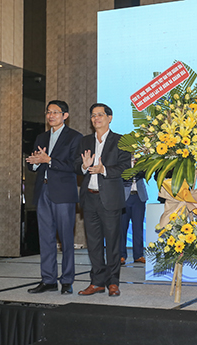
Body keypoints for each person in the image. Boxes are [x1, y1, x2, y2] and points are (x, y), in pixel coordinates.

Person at [25, 100, 82, 294]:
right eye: (48, 112)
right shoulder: (41, 137)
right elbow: (34, 164)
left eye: (55, 112)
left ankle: (67, 281)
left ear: (65, 115)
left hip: (63, 194)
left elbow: (75, 166)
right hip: (43, 192)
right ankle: (48, 280)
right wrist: (33, 163)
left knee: (66, 239)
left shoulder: (75, 137)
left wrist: (48, 160)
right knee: (46, 239)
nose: (51, 116)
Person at [74, 103, 131, 297]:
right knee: (94, 243)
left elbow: (125, 168)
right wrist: (84, 166)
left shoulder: (121, 141)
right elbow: (76, 166)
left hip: (110, 200)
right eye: (93, 116)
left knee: (113, 243)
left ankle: (113, 282)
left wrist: (103, 169)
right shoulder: (85, 141)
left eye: (100, 115)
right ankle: (97, 281)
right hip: (89, 199)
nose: (96, 118)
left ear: (110, 118)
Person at [120, 160, 148, 265]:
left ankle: (139, 255)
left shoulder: (142, 159)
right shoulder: (121, 159)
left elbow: (147, 173)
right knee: (122, 227)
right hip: (124, 197)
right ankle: (121, 255)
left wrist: (139, 169)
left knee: (138, 227)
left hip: (139, 197)